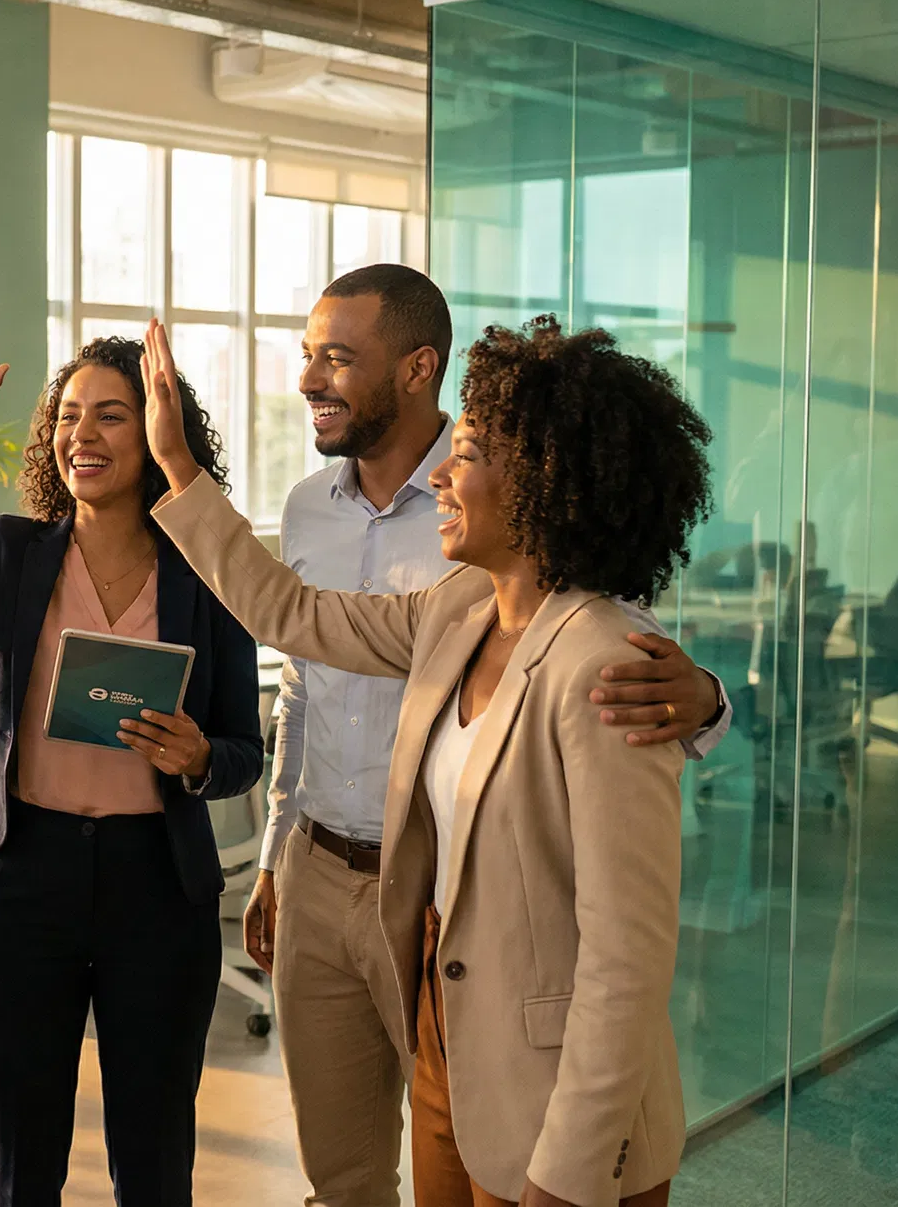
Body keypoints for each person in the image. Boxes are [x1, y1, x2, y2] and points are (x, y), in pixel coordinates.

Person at [142, 314, 714, 1207]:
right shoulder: (459, 610)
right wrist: (179, 470)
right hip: (451, 1029)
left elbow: (625, 956)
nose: (442, 473)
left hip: (556, 1078)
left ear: (541, 481)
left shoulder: (604, 662)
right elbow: (294, 614)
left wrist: (569, 1170)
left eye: (471, 454)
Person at [0, 335, 265, 1207]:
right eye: (68, 417)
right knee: (20, 1157)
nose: (83, 435)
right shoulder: (12, 553)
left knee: (154, 1154)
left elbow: (244, 753)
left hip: (157, 889)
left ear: (158, 436)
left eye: (111, 414)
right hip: (24, 878)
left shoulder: (210, 571)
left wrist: (198, 758)